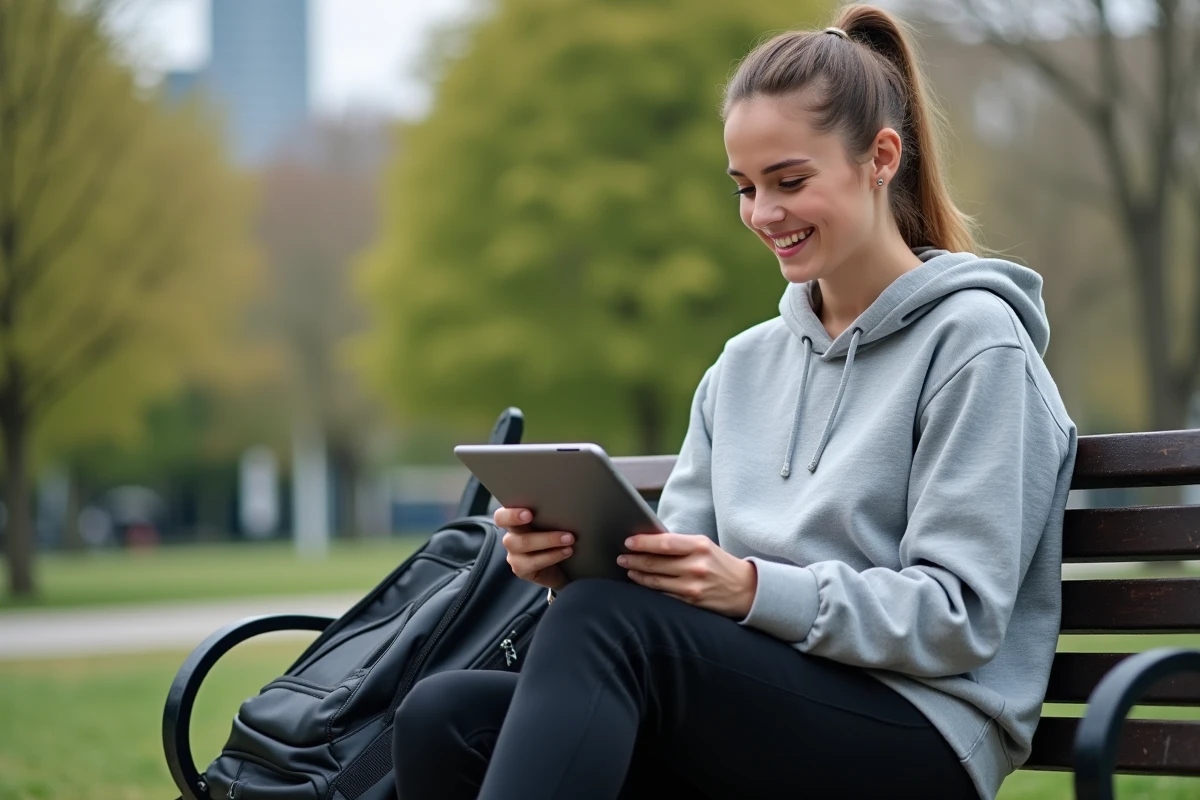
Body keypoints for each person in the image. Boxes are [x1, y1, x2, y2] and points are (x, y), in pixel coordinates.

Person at [392, 4, 1078, 799]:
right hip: (759, 704)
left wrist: (752, 588)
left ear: (881, 157)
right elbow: (669, 577)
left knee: (606, 627)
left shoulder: (976, 342)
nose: (763, 214)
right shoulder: (743, 365)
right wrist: (567, 568)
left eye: (789, 181)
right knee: (442, 714)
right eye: (746, 188)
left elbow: (958, 617)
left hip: (922, 731)